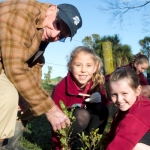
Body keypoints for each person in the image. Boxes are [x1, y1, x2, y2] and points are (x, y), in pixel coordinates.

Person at [0, 0, 82, 150]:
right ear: (52, 9)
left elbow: (35, 62)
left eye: (62, 36)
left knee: (32, 100)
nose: (54, 35)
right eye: (57, 25)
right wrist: (50, 109)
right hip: (7, 64)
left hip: (7, 62)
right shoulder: (22, 15)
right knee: (8, 95)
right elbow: (16, 67)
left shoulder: (44, 26)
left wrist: (29, 97)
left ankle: (10, 145)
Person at [51, 46, 109, 150]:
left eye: (88, 65)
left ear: (95, 68)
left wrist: (101, 100)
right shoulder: (61, 87)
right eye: (78, 65)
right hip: (69, 125)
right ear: (70, 66)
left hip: (87, 126)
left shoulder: (96, 85)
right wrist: (60, 146)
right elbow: (55, 118)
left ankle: (91, 144)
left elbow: (106, 105)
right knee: (82, 115)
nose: (83, 70)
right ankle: (69, 143)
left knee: (102, 109)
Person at [106, 67, 150, 150]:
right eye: (114, 94)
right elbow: (113, 134)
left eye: (124, 93)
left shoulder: (137, 114)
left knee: (134, 146)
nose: (119, 99)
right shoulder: (131, 104)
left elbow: (119, 146)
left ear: (137, 90)